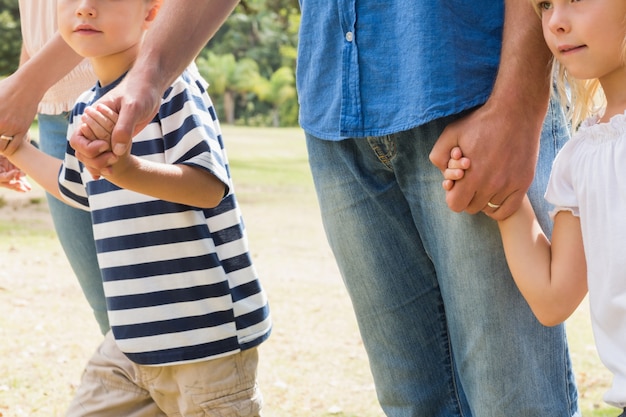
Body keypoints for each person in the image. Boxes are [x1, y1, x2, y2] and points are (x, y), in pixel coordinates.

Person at [65, 1, 580, 416]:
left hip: (470, 93)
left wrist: (519, 101)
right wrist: (148, 75)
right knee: (412, 401)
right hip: (337, 114)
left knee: (513, 400)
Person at [0, 0, 271, 414]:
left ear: (152, 13)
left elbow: (209, 187)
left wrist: (125, 170)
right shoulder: (84, 105)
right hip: (131, 344)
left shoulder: (174, 88)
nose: (85, 9)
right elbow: (80, 190)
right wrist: (17, 149)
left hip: (206, 345)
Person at [444, 0, 626, 414]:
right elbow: (552, 297)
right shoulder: (582, 154)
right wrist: (502, 197)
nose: (556, 22)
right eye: (544, 5)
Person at [0, 0, 108, 334]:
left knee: (145, 291)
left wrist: (23, 89)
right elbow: (37, 27)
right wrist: (20, 109)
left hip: (118, 98)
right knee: (104, 302)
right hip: (52, 114)